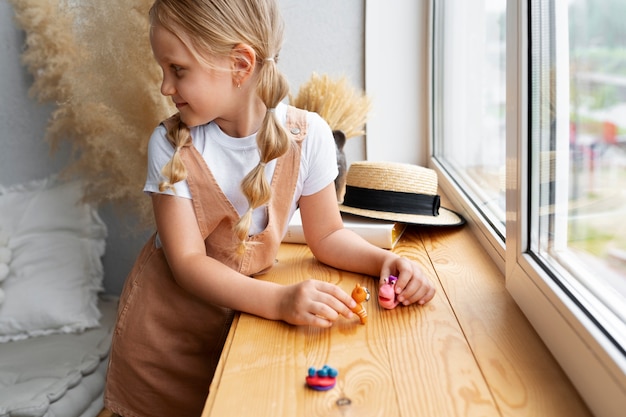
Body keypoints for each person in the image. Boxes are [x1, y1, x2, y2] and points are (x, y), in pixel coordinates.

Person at [103, 0, 435, 416]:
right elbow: (187, 262)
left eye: (178, 70)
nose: (165, 87)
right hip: (167, 344)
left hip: (243, 328)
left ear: (241, 64)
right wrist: (279, 302)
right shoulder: (170, 145)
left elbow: (328, 236)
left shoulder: (309, 135)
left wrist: (384, 263)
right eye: (163, 71)